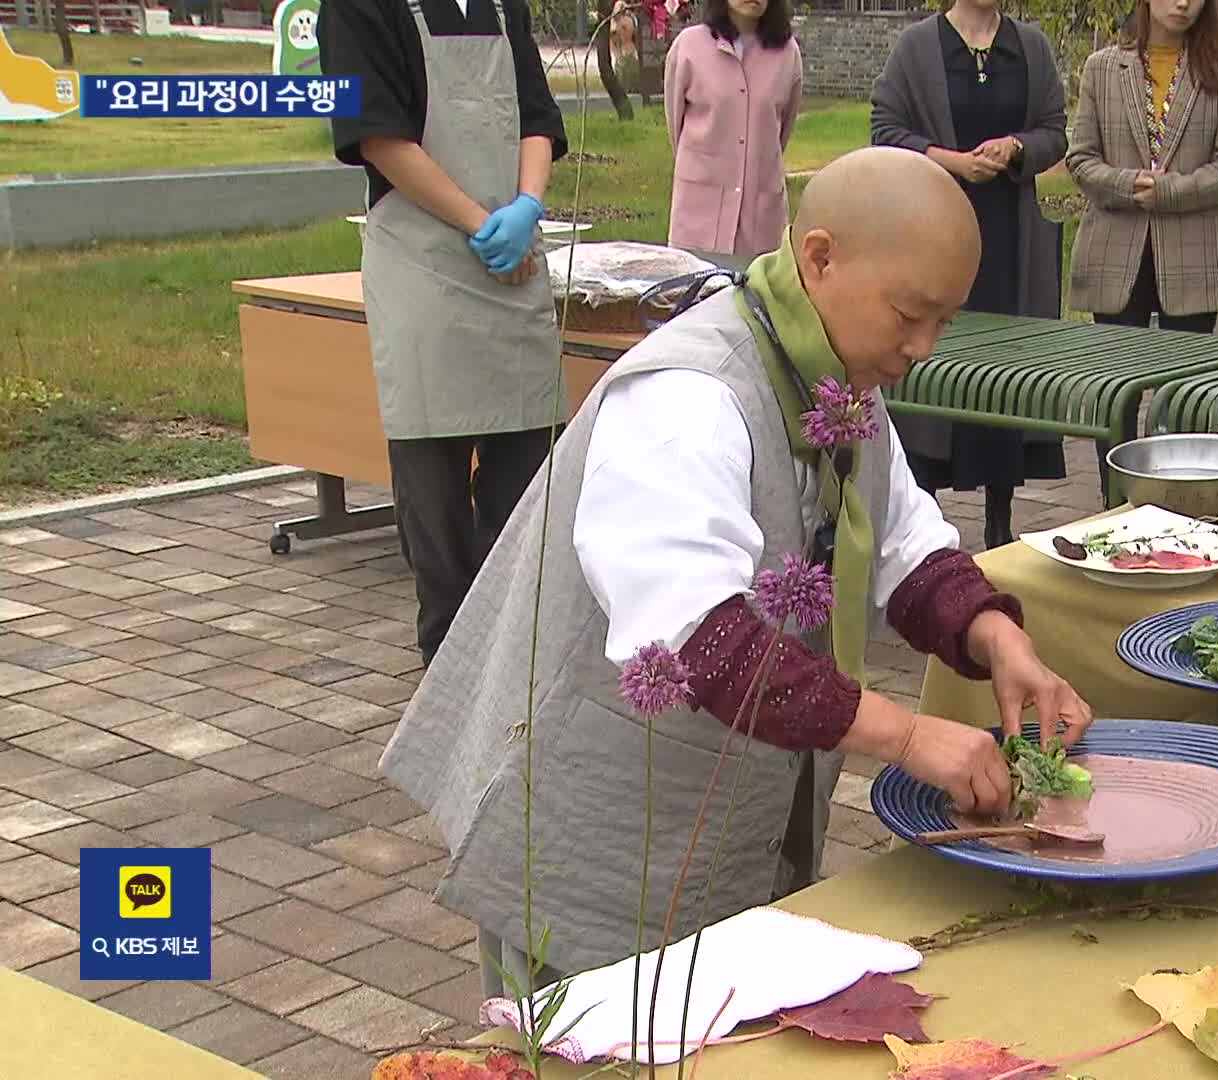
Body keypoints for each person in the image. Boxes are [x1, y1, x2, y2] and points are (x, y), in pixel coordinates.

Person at [378, 147, 1097, 992]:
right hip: (594, 857)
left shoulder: (836, 376)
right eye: (910, 314)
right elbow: (701, 646)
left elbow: (906, 538)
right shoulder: (686, 397)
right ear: (820, 256)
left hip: (723, 845)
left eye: (945, 320)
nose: (923, 347)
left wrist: (996, 637)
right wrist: (907, 737)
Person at [318, 0, 568, 667]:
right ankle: (448, 675)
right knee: (436, 504)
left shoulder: (501, 5)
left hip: (512, 266)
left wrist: (526, 207)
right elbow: (378, 136)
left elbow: (537, 116)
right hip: (424, 264)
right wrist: (477, 223)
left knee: (529, 484)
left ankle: (515, 666)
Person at [870, 0, 1070, 549]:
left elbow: (1056, 131)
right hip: (935, 230)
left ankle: (1000, 520)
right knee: (932, 363)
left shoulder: (1029, 47)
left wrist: (1017, 148)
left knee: (1006, 373)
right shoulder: (917, 47)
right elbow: (885, 131)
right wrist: (950, 161)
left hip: (1009, 238)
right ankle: (925, 524)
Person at [1066, 0, 1218, 333]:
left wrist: (1169, 191)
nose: (1184, 4)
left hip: (1193, 257)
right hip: (1114, 253)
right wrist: (1129, 184)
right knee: (1116, 381)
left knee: (1184, 381)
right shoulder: (1101, 68)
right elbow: (1080, 159)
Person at [664, 0, 804, 257]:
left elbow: (781, 131)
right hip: (698, 223)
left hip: (761, 227)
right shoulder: (689, 47)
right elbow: (676, 124)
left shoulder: (787, 53)